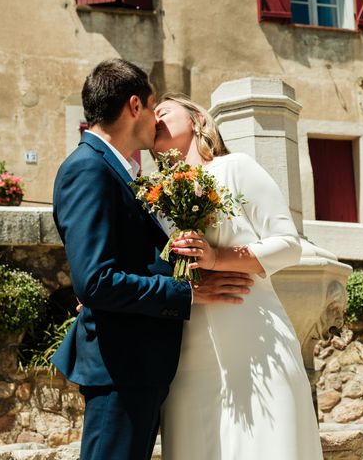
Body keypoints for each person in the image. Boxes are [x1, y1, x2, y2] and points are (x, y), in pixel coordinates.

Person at [50, 59, 254, 460]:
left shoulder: (119, 170)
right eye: (154, 105)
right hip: (120, 367)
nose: (157, 121)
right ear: (134, 106)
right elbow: (95, 283)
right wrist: (187, 293)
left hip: (137, 367)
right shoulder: (88, 168)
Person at [153, 94, 324, 460]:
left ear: (198, 118)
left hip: (254, 336)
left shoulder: (237, 168)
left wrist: (217, 258)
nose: (155, 118)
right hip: (186, 354)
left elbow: (288, 245)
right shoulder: (156, 194)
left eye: (164, 111)